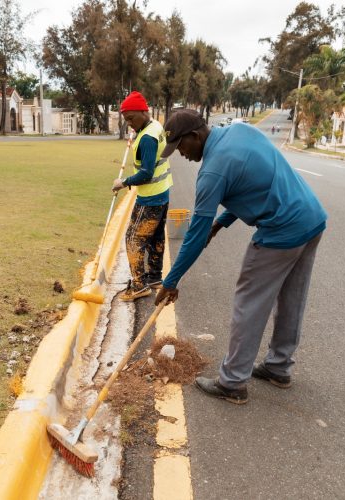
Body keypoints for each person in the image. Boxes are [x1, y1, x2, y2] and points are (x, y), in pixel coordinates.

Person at [155, 109, 327, 404]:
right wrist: (220, 223)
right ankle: (278, 367)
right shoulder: (239, 131)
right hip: (311, 219)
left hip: (281, 231)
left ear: (195, 136)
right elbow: (254, 181)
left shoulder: (212, 171)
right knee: (291, 300)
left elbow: (194, 235)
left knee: (249, 303)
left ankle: (232, 382)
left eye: (181, 146)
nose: (180, 154)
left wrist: (171, 281)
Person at [111, 91, 173, 301]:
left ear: (143, 111)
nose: (129, 123)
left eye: (131, 118)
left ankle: (139, 285)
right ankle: (155, 277)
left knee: (133, 239)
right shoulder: (153, 126)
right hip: (162, 192)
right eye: (126, 119)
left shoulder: (147, 138)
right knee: (155, 237)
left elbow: (146, 174)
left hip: (150, 198)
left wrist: (124, 182)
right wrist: (136, 133)